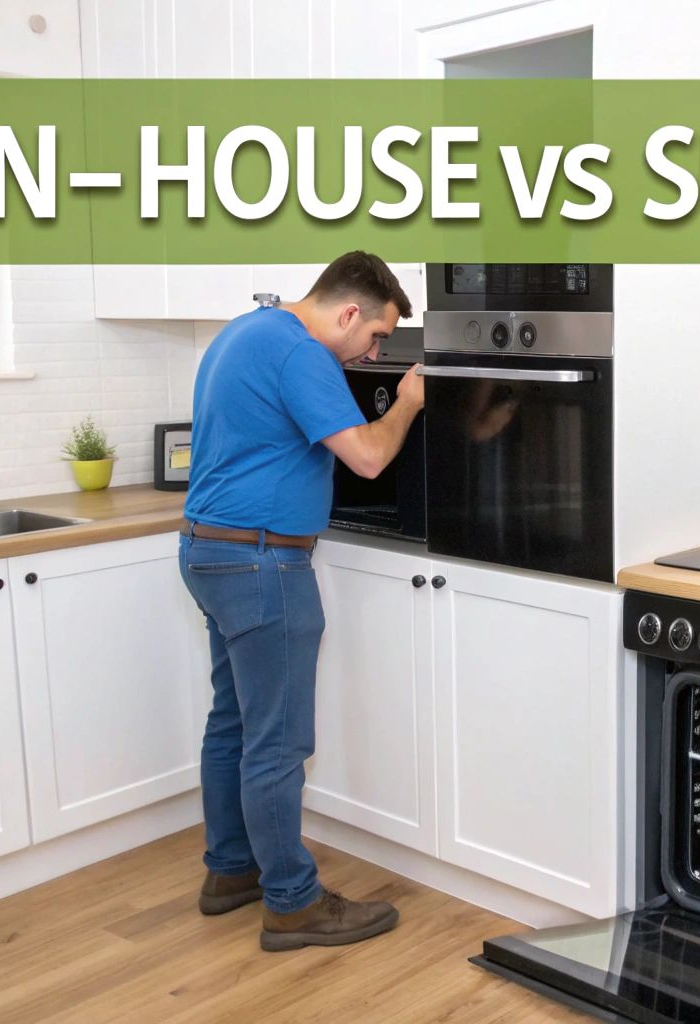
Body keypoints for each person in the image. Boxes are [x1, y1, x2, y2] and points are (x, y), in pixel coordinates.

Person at [178, 251, 424, 952]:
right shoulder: (302, 354)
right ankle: (292, 900)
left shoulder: (245, 330)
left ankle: (230, 872)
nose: (372, 352)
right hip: (262, 564)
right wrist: (406, 400)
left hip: (209, 550)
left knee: (233, 722)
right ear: (348, 313)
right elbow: (370, 458)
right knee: (278, 742)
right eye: (376, 337)